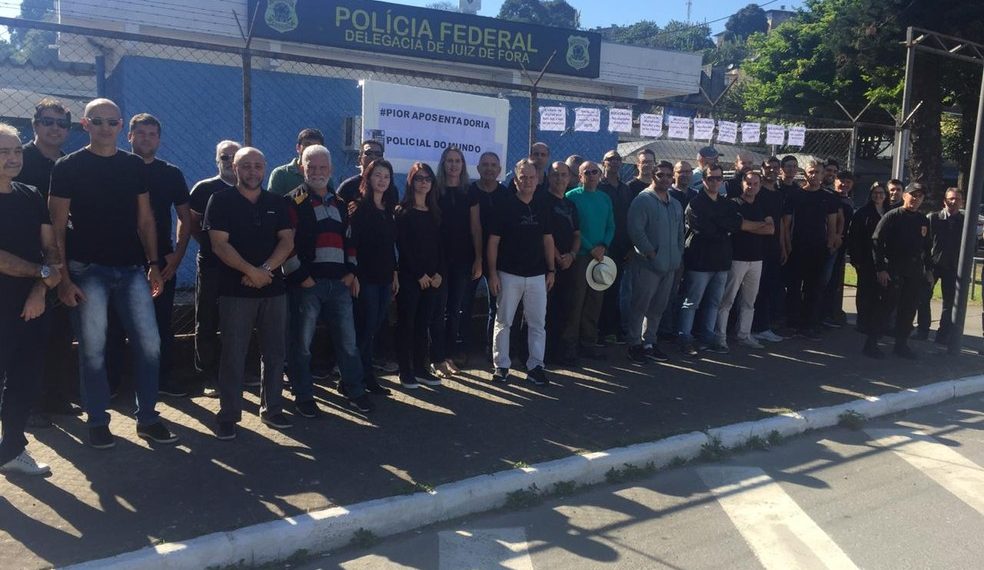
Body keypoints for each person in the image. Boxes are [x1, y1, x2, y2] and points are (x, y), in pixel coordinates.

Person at [49, 98, 177, 449]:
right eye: (98, 121)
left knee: (150, 345)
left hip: (133, 269)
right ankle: (97, 421)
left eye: (112, 122)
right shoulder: (67, 167)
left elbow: (145, 219)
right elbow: (56, 226)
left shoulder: (133, 166)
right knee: (93, 349)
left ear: (121, 126)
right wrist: (63, 278)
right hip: (85, 270)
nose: (106, 128)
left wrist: (154, 265)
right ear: (86, 125)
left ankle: (148, 419)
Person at [205, 147, 294, 439]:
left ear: (265, 168)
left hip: (273, 288)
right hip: (235, 291)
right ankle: (228, 414)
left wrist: (264, 270)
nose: (252, 172)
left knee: (275, 351)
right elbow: (219, 245)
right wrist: (249, 271)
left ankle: (273, 408)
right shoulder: (220, 200)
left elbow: (286, 241)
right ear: (235, 167)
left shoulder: (277, 203)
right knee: (233, 353)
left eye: (258, 166)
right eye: (246, 166)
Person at [284, 145, 374, 416]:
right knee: (301, 344)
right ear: (302, 168)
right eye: (311, 167)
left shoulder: (339, 203)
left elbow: (350, 242)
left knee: (348, 342)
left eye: (323, 167)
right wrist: (301, 276)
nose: (317, 172)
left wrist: (351, 272)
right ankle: (303, 395)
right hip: (307, 285)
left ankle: (354, 390)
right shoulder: (292, 202)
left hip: (339, 285)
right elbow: (285, 243)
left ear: (331, 170)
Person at [106, 114, 191, 398]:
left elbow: (184, 217)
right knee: (115, 324)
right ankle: (113, 384)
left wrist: (177, 257)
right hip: (119, 258)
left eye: (152, 134)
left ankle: (163, 379)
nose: (146, 138)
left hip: (162, 262)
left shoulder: (171, 173)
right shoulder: (114, 168)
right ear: (128, 136)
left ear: (159, 139)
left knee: (160, 325)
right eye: (140, 133)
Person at [0, 123, 62, 475]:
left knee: (24, 379)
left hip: (31, 306)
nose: (12, 158)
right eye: (3, 152)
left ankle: (11, 450)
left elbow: (51, 250)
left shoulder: (30, 195)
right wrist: (41, 274)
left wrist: (40, 289)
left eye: (16, 151)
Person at [13, 98, 76, 425]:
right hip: (22, 260)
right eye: (48, 122)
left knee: (59, 334)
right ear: (35, 124)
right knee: (25, 336)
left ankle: (57, 399)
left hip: (58, 259)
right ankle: (28, 406)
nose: (55, 128)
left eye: (62, 124)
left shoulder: (68, 164)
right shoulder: (18, 159)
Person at [487, 158, 555, 385]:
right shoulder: (505, 206)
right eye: (522, 177)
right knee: (504, 321)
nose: (527, 181)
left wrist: (551, 269)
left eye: (531, 177)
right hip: (508, 274)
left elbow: (548, 239)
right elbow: (493, 242)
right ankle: (501, 366)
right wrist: (493, 274)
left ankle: (536, 366)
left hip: (537, 275)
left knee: (537, 324)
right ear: (515, 180)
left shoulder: (543, 205)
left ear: (538, 180)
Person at [677, 164, 747, 356]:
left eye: (718, 178)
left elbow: (735, 223)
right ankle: (685, 339)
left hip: (722, 261)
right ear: (704, 180)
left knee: (714, 302)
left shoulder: (726, 204)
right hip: (700, 261)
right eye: (711, 178)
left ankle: (707, 338)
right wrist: (724, 227)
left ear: (722, 181)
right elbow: (704, 230)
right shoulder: (696, 203)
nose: (715, 182)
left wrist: (720, 224)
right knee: (692, 302)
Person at [189, 140, 240, 393]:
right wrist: (213, 246)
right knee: (207, 318)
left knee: (238, 321)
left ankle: (236, 370)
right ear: (216, 160)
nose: (229, 162)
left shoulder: (249, 188)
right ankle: (208, 375)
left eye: (234, 157)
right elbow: (192, 225)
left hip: (241, 267)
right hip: (211, 264)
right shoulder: (204, 189)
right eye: (224, 157)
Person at [865, 182, 933, 359]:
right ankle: (871, 344)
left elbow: (927, 247)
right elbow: (876, 242)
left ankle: (901, 345)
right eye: (912, 195)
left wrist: (929, 270)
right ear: (905, 196)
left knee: (909, 309)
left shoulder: (922, 220)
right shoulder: (892, 216)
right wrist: (880, 269)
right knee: (886, 308)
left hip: (914, 271)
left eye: (919, 196)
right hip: (893, 268)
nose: (915, 199)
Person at [626, 160, 683, 363]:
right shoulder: (643, 200)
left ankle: (649, 341)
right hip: (648, 264)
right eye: (661, 175)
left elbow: (679, 234)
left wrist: (677, 255)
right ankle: (634, 343)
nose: (666, 179)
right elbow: (636, 230)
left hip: (670, 265)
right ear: (653, 176)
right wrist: (650, 253)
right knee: (640, 305)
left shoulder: (675, 203)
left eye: (669, 175)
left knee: (658, 307)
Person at [350, 159, 399, 397]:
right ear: (368, 178)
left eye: (386, 177)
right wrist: (354, 276)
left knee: (374, 327)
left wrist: (395, 274)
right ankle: (354, 378)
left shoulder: (388, 210)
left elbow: (390, 247)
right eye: (377, 175)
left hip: (384, 278)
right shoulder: (358, 209)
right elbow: (352, 246)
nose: (382, 180)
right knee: (365, 328)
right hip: (365, 278)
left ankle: (367, 376)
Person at [431, 147, 481, 377]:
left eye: (457, 161)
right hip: (439, 260)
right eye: (449, 161)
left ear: (463, 165)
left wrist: (479, 258)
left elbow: (475, 227)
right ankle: (436, 358)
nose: (453, 165)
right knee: (438, 310)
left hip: (463, 259)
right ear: (443, 164)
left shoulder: (469, 192)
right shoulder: (434, 189)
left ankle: (449, 357)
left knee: (455, 310)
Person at [394, 162, 445, 389]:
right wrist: (419, 274)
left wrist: (438, 274)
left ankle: (421, 368)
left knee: (424, 323)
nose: (423, 182)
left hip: (433, 279)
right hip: (410, 278)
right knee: (407, 324)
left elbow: (441, 247)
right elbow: (404, 247)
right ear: (411, 181)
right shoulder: (402, 212)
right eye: (419, 178)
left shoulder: (435, 212)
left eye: (427, 178)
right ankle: (406, 371)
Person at [715, 171, 775, 350]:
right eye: (748, 183)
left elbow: (771, 229)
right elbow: (739, 225)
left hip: (757, 259)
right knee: (727, 300)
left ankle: (744, 335)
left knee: (749, 301)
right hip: (736, 259)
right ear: (742, 184)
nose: (752, 187)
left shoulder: (762, 204)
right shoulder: (733, 204)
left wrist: (747, 226)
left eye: (756, 184)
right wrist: (754, 225)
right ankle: (720, 336)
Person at [562, 161, 614, 362]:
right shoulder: (571, 197)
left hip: (601, 258)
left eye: (595, 172)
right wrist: (590, 247)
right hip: (582, 257)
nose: (592, 175)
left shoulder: (605, 198)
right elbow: (573, 229)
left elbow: (611, 226)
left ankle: (588, 343)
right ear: (579, 175)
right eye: (587, 172)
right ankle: (569, 347)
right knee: (576, 302)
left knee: (594, 302)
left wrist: (603, 246)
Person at [781, 159, 838, 339]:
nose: (814, 176)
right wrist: (787, 245)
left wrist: (829, 245)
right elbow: (786, 223)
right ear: (805, 174)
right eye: (811, 172)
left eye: (817, 172)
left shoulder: (829, 198)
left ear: (823, 175)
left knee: (814, 288)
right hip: (797, 248)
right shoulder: (795, 196)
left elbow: (832, 224)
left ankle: (810, 324)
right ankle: (793, 323)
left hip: (818, 249)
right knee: (794, 287)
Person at [467, 151, 511, 360]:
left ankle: (491, 349)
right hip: (471, 256)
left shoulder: (505, 194)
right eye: (485, 165)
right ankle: (463, 349)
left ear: (499, 170)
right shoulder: (469, 191)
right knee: (465, 304)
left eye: (493, 165)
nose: (489, 168)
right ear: (478, 169)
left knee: (497, 305)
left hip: (499, 259)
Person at [543, 161, 580, 362]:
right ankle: (544, 355)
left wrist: (572, 256)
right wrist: (558, 258)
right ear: (549, 177)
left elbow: (577, 234)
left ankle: (560, 353)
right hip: (549, 266)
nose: (560, 179)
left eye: (564, 175)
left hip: (569, 264)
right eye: (556, 174)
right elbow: (545, 235)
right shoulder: (543, 201)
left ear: (570, 178)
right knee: (547, 311)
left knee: (565, 309)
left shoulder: (570, 204)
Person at [917, 187, 964, 343]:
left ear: (962, 202)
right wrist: (926, 266)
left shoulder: (964, 221)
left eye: (957, 199)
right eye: (950, 198)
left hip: (953, 267)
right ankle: (922, 330)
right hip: (933, 265)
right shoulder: (933, 218)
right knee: (923, 298)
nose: (953, 202)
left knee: (949, 303)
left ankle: (943, 334)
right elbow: (923, 243)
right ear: (944, 201)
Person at [599, 150, 633, 345]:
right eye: (610, 159)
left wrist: (630, 246)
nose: (614, 162)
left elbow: (630, 219)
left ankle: (613, 329)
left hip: (622, 247)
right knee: (602, 289)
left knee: (617, 290)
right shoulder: (599, 187)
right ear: (604, 163)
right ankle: (602, 330)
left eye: (618, 159)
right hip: (602, 246)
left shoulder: (625, 189)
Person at [751, 156, 786, 343]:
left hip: (774, 247)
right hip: (758, 247)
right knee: (757, 289)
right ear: (762, 169)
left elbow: (780, 221)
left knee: (769, 287)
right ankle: (755, 327)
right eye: (768, 167)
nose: (772, 170)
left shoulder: (779, 194)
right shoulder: (758, 193)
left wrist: (782, 245)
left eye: (775, 167)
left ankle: (764, 326)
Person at [848, 181, 888, 335]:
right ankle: (863, 322)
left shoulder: (890, 211)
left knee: (882, 292)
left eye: (881, 193)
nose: (878, 196)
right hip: (865, 259)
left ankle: (877, 322)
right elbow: (854, 237)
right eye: (875, 193)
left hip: (883, 260)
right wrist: (856, 258)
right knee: (865, 291)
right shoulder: (862, 213)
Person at [821, 170, 856, 328]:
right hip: (829, 244)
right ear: (834, 181)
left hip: (841, 246)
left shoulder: (849, 201)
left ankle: (829, 313)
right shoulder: (829, 197)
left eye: (848, 181)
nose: (844, 184)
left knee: (833, 281)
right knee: (824, 279)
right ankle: (820, 314)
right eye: (841, 181)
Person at [267, 128, 326, 196]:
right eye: (307, 144)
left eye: (316, 146)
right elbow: (274, 204)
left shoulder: (325, 176)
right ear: (298, 147)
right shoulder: (281, 174)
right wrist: (306, 190)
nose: (311, 149)